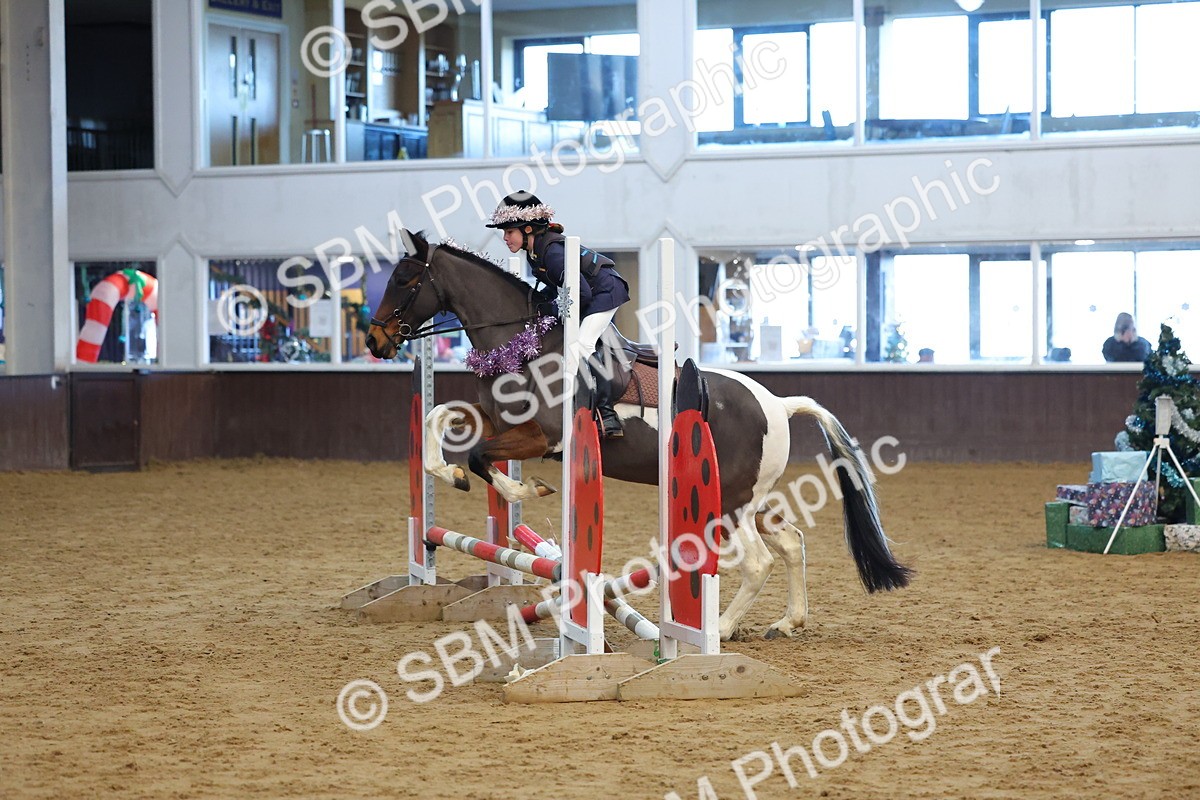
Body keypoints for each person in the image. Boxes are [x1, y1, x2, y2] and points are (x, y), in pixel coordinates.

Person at [486, 191, 631, 438]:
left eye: (509, 232)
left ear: (528, 229)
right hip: (589, 293)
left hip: (605, 293)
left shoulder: (552, 253)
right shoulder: (535, 253)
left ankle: (607, 415)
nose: (505, 238)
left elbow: (580, 296)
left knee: (582, 347)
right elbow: (557, 288)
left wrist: (549, 308)